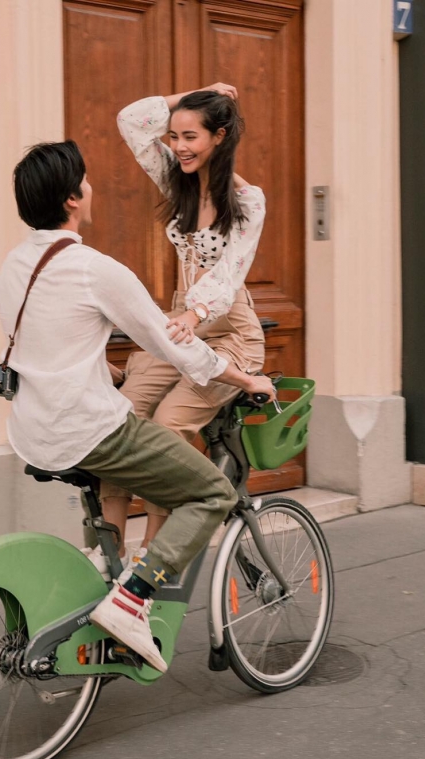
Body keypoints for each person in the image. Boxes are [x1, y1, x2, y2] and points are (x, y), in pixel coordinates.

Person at [0, 139, 275, 673]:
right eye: (86, 179)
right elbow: (178, 347)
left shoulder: (14, 266)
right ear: (73, 199)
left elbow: (48, 342)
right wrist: (246, 378)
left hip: (32, 431)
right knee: (211, 492)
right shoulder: (95, 268)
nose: (91, 185)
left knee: (128, 451)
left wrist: (108, 371)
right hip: (88, 431)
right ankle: (130, 602)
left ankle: (102, 565)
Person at [98, 83, 267, 579]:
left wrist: (193, 316)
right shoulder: (177, 182)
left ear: (219, 136)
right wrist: (194, 94)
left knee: (167, 427)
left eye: (190, 136)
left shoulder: (247, 200)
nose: (179, 147)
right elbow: (130, 119)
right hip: (176, 326)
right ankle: (107, 561)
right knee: (122, 416)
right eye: (173, 137)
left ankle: (148, 569)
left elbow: (230, 271)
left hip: (228, 331)